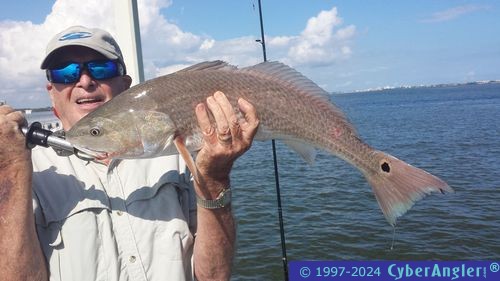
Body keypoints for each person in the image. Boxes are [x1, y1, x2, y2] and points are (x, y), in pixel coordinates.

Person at [0, 25, 259, 281]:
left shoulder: (181, 156)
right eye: (65, 72)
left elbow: (213, 277)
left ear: (126, 86)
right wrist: (10, 168)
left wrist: (214, 180)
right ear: (51, 94)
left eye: (102, 68)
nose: (85, 81)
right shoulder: (28, 172)